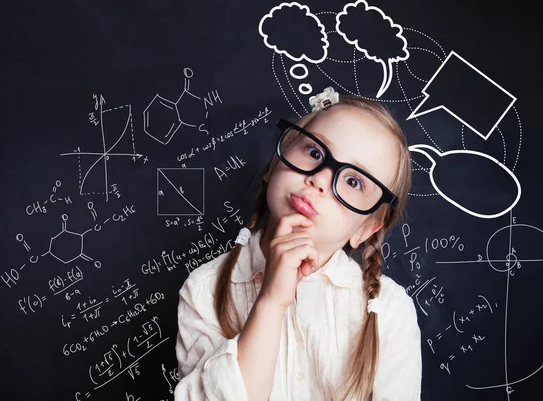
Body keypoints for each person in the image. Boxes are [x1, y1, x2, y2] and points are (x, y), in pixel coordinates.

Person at [174, 87, 422, 400]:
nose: (319, 179)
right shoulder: (203, 290)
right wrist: (271, 301)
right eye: (315, 153)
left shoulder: (389, 311)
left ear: (365, 229)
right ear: (272, 168)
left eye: (354, 182)